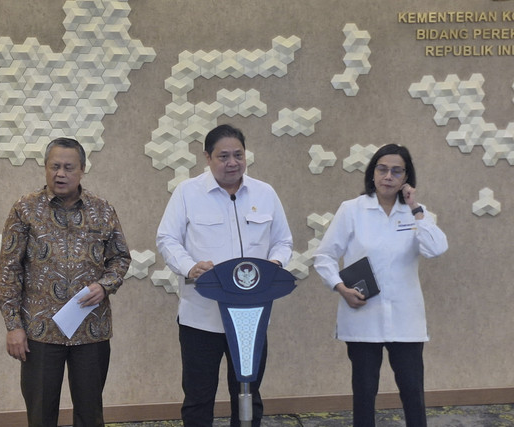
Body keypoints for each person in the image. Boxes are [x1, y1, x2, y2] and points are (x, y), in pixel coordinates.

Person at [156, 124, 293, 426]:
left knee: (247, 393)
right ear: (207, 157)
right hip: (200, 318)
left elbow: (283, 241)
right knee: (198, 397)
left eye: (238, 155)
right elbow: (167, 239)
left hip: (250, 317)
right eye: (223, 156)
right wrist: (189, 266)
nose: (232, 163)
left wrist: (275, 264)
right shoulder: (187, 193)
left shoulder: (264, 193)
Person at [0, 137, 131, 427]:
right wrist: (13, 326)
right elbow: (9, 270)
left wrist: (105, 285)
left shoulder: (103, 210)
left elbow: (120, 258)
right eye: (54, 166)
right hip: (40, 332)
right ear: (45, 168)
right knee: (41, 414)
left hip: (91, 329)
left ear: (82, 169)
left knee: (90, 412)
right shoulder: (25, 210)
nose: (61, 173)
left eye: (69, 167)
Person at [313, 144, 448, 427]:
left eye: (396, 171)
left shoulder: (417, 214)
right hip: (362, 314)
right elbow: (324, 256)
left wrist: (415, 208)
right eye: (382, 169)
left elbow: (436, 249)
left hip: (405, 318)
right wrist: (339, 287)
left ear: (406, 177)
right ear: (373, 173)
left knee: (412, 392)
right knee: (364, 394)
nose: (388, 176)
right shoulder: (352, 210)